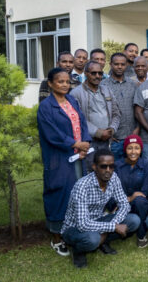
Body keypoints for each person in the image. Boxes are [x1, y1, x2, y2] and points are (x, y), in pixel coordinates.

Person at [37, 67, 92, 257]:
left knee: (77, 193)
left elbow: (82, 122)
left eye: (67, 81)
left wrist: (85, 144)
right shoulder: (46, 107)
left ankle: (72, 231)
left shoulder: (71, 101)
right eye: (60, 81)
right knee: (58, 194)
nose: (64, 85)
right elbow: (52, 134)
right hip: (58, 158)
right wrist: (75, 144)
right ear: (50, 84)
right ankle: (56, 238)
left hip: (77, 156)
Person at [61, 149, 140, 268]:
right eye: (103, 166)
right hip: (74, 228)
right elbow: (82, 224)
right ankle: (78, 251)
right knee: (92, 239)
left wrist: (112, 225)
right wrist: (113, 227)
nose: (108, 170)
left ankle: (103, 240)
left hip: (98, 221)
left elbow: (124, 204)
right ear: (94, 167)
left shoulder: (113, 178)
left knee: (134, 220)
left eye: (111, 166)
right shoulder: (82, 186)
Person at [70, 61, 121, 152]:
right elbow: (78, 119)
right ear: (86, 73)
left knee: (105, 165)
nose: (97, 76)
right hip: (88, 142)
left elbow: (116, 113)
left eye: (100, 73)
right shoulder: (76, 93)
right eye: (93, 73)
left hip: (107, 140)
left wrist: (112, 130)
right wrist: (98, 132)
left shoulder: (107, 90)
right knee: (90, 166)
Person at [114, 135, 148, 248]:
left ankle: (141, 235)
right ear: (125, 149)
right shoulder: (117, 166)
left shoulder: (146, 164)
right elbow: (114, 191)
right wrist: (130, 198)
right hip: (120, 204)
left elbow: (145, 190)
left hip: (139, 204)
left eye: (137, 148)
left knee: (141, 200)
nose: (133, 151)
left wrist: (134, 198)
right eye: (130, 148)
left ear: (141, 150)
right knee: (136, 199)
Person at [102, 53, 139, 160]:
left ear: (127, 65)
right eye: (116, 64)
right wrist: (109, 133)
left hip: (132, 137)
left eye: (122, 64)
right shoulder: (103, 85)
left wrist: (137, 129)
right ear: (110, 64)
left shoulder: (133, 84)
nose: (119, 67)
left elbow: (139, 109)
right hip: (114, 139)